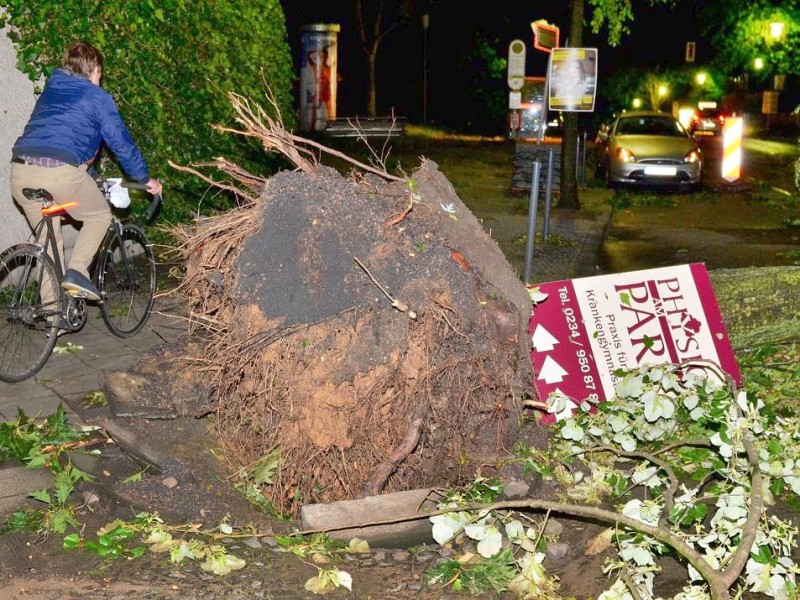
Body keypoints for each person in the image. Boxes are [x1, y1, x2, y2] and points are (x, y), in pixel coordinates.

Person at [10, 40, 162, 302]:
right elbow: (121, 144)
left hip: (20, 171)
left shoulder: (51, 91)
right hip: (59, 174)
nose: (100, 81)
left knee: (48, 242)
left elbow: (60, 142)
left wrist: (91, 178)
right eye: (99, 74)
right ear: (94, 70)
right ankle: (77, 270)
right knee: (99, 215)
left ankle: (51, 315)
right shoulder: (97, 97)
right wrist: (145, 179)